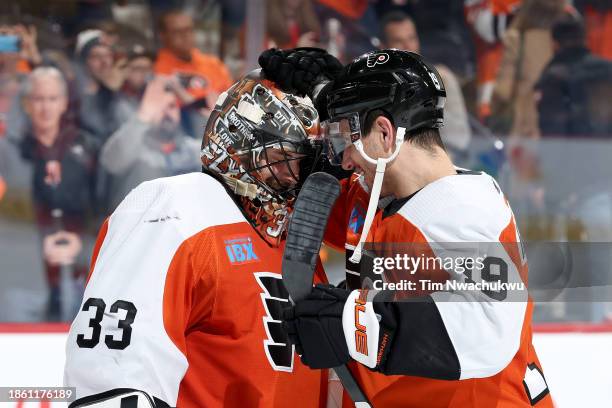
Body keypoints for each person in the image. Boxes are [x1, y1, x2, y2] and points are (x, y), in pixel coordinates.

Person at [262, 49, 553, 407]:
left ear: (385, 133)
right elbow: (310, 192)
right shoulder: (378, 195)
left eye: (345, 139)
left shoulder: (465, 214)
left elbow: (488, 327)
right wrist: (319, 95)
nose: (345, 159)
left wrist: (352, 324)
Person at [64, 70, 329, 407]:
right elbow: (114, 366)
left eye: (305, 163)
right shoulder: (178, 206)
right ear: (238, 144)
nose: (295, 176)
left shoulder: (290, 238)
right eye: (281, 159)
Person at [19, 66, 97, 320]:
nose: (45, 107)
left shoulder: (86, 148)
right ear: (27, 104)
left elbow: (105, 207)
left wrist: (83, 245)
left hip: (82, 280)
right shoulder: (12, 152)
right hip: (23, 279)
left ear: (64, 103)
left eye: (52, 99)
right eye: (38, 99)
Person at [100, 75, 202, 211]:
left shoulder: (192, 150)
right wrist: (143, 118)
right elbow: (111, 162)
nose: (166, 112)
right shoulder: (133, 149)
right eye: (159, 107)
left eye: (171, 106)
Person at [380, 11, 471, 160]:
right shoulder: (377, 85)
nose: (408, 46)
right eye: (398, 41)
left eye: (412, 38)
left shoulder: (442, 78)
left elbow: (459, 139)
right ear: (384, 47)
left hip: (438, 163)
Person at [154, 9, 233, 108]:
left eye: (189, 30)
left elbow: (231, 101)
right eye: (178, 31)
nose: (185, 36)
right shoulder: (156, 67)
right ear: (163, 36)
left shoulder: (214, 64)